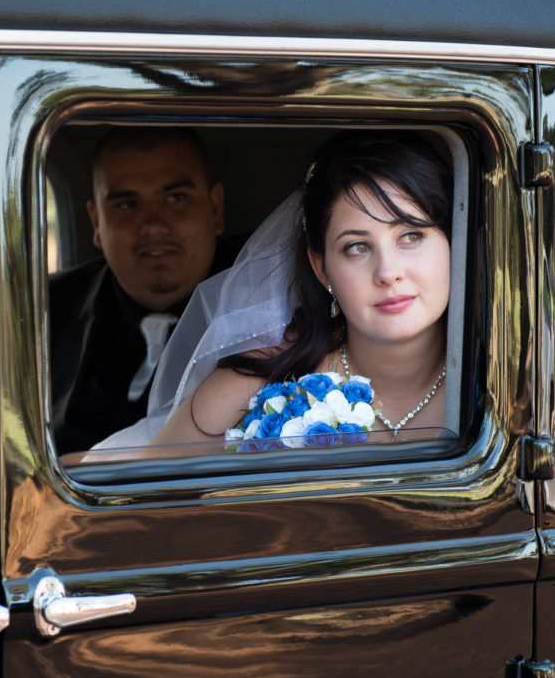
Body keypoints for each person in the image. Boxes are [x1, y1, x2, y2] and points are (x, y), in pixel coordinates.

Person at [150, 130, 456, 450]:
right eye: (357, 247)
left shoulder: (501, 379)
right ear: (321, 268)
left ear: (452, 242)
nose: (388, 273)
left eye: (411, 236)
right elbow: (146, 492)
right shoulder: (263, 378)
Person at [49, 126, 238, 452]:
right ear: (96, 222)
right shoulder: (43, 312)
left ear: (215, 208)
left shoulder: (272, 310)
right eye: (126, 204)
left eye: (176, 198)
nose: (152, 225)